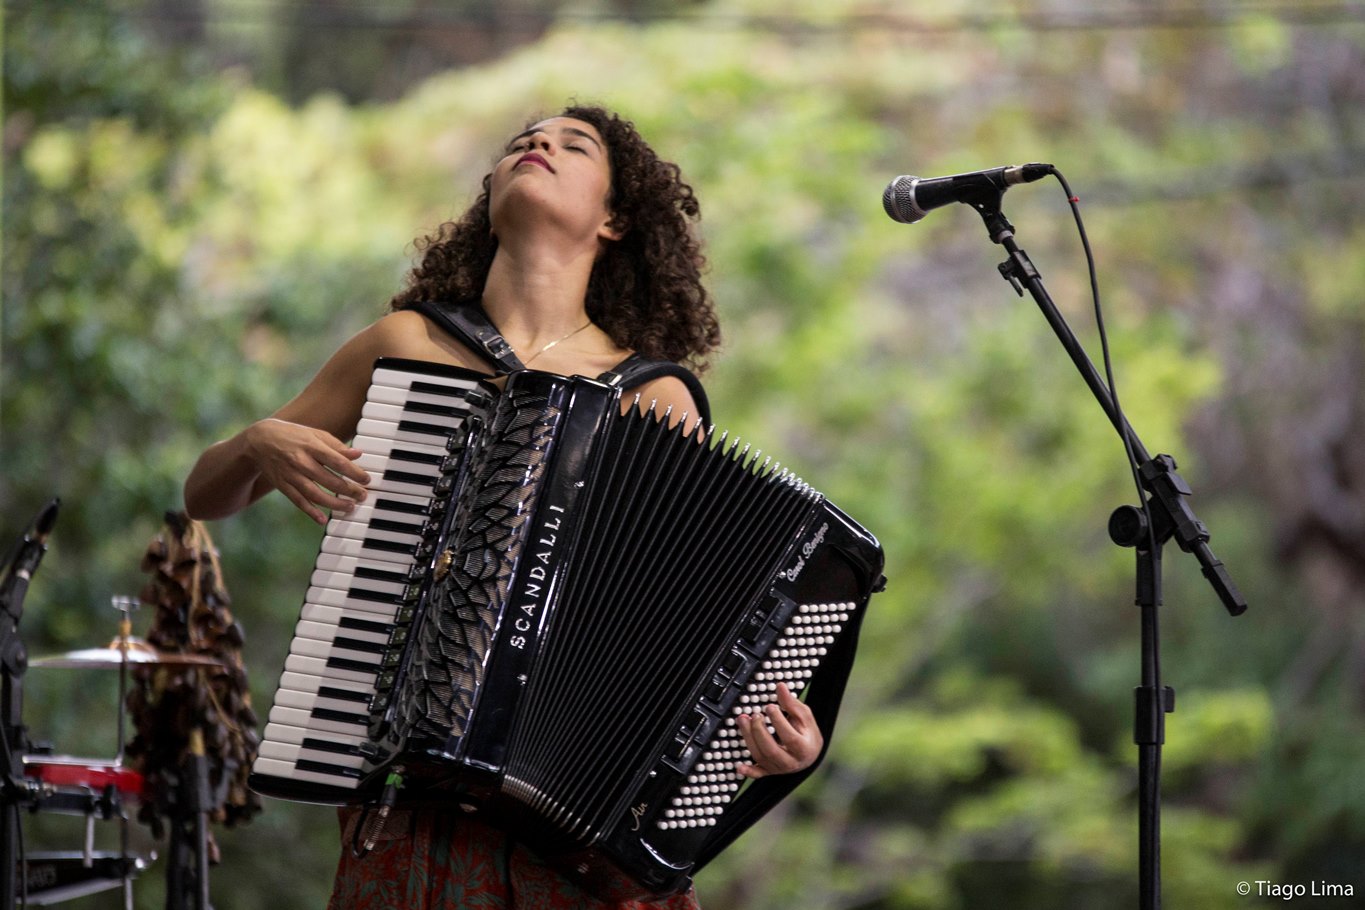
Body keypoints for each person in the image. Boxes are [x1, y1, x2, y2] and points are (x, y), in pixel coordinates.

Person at [184, 104, 823, 909]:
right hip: (407, 809)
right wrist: (257, 443)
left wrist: (767, 741)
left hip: (564, 840)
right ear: (490, 193)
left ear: (615, 219)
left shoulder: (653, 397)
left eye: (573, 144)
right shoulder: (405, 344)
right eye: (523, 140)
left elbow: (679, 637)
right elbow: (204, 494)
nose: (538, 144)